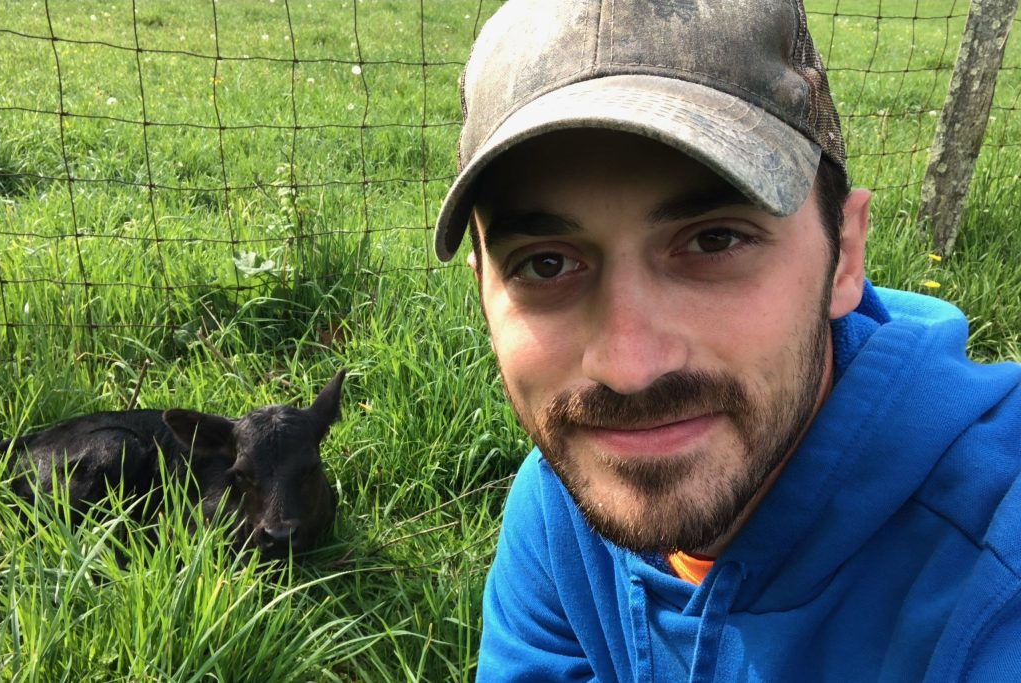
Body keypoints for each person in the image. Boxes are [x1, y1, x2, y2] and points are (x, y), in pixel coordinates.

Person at [434, 1, 1021, 680]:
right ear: (483, 290)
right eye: (546, 263)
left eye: (714, 240)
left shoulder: (992, 567)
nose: (629, 367)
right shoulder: (562, 511)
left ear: (846, 257)